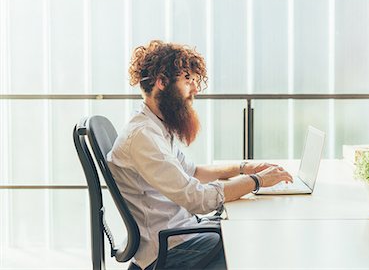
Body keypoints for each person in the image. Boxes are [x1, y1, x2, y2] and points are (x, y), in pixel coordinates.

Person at [107, 40, 293, 270]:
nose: (194, 89)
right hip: (169, 249)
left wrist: (245, 168)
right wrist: (258, 181)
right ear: (162, 82)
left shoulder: (155, 126)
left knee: (246, 230)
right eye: (188, 80)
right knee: (250, 244)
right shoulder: (143, 137)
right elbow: (197, 200)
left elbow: (193, 172)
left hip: (182, 233)